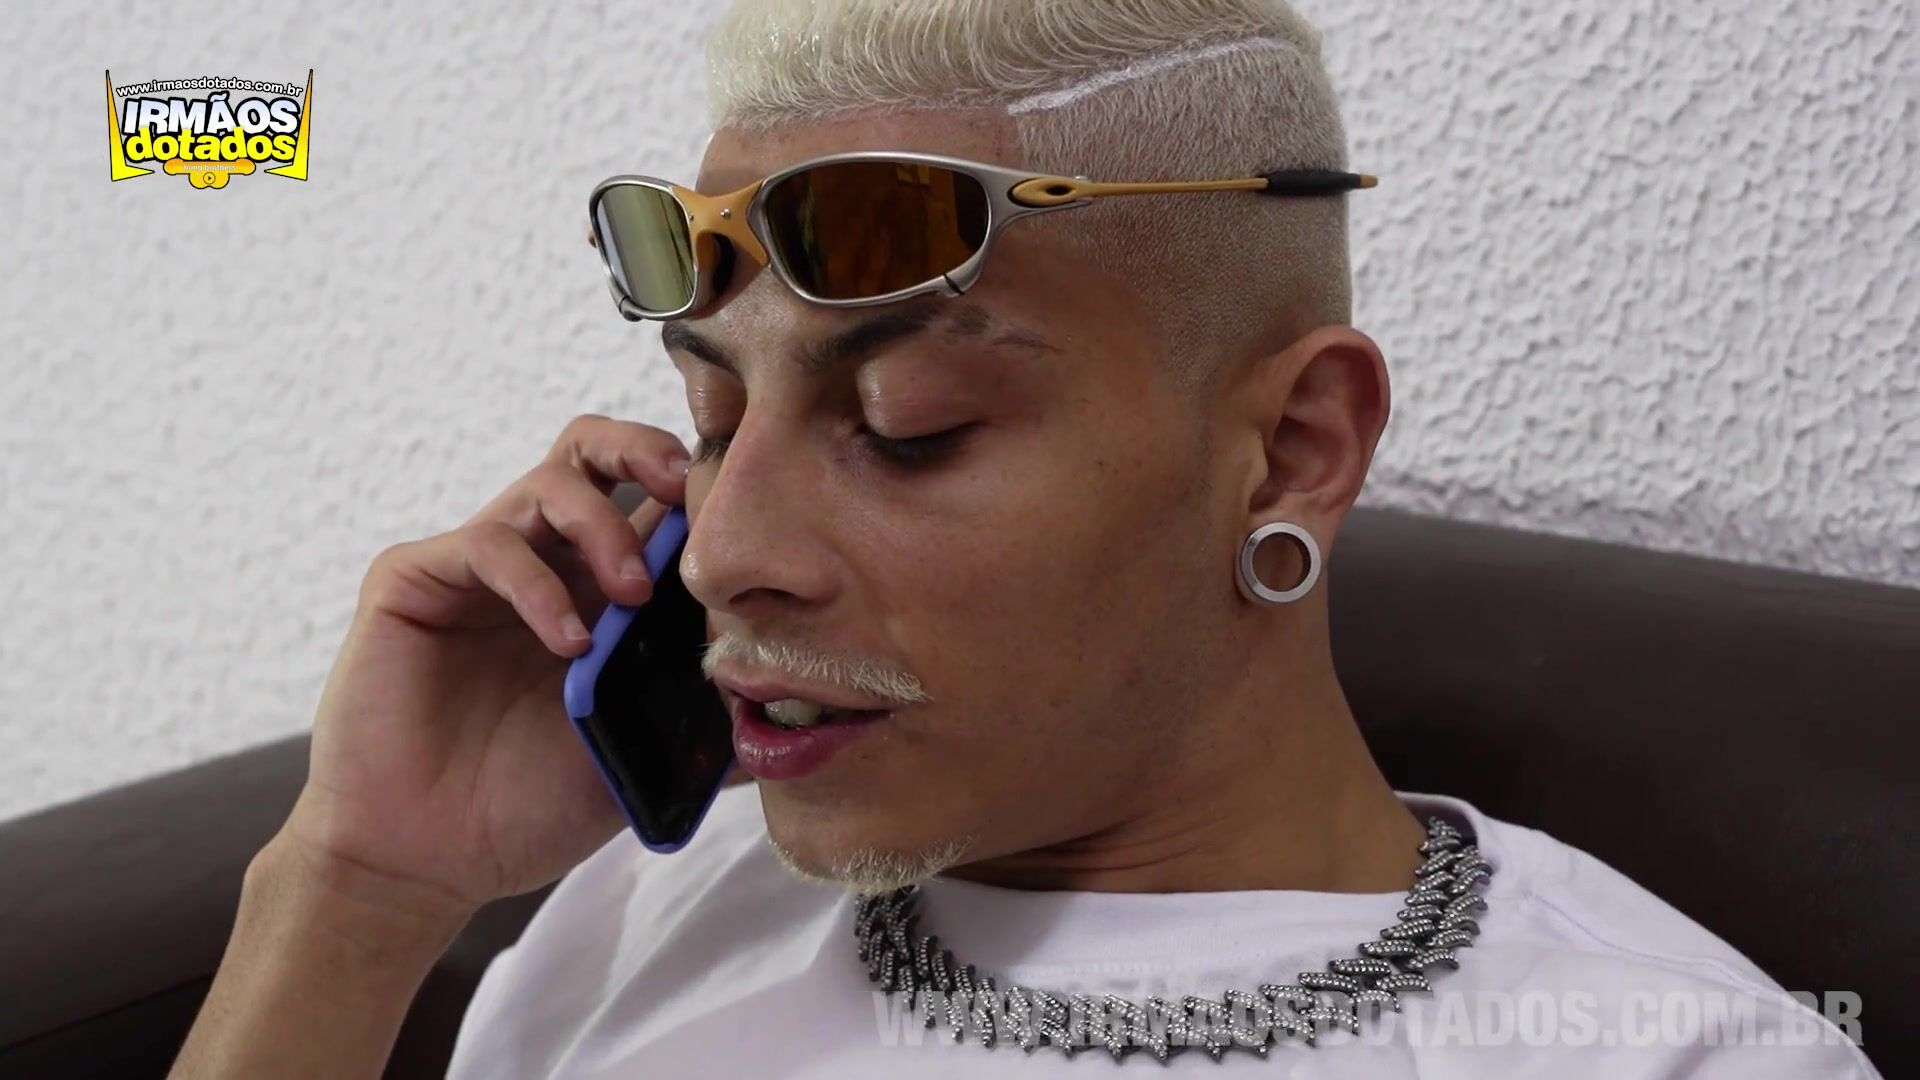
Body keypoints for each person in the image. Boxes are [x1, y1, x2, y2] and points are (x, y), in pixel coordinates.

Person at [168, 1, 1880, 1076]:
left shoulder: (1673, 1055)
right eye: (714, 421)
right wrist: (354, 896)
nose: (717, 551)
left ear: (1292, 453)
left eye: (905, 426)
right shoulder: (635, 918)